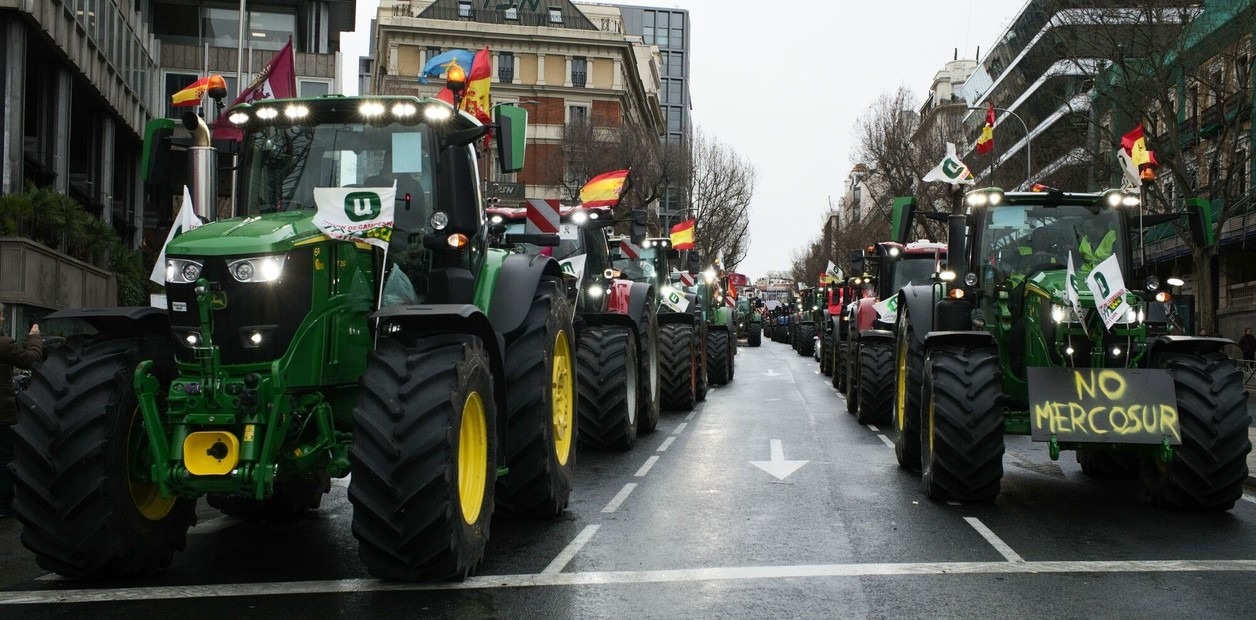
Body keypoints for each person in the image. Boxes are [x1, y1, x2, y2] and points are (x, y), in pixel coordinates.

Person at [0, 304, 44, 518]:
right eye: (1, 315)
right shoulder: (4, 344)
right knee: (4, 458)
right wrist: (34, 339)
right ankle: (4, 506)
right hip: (2, 414)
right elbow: (32, 360)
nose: (2, 319)